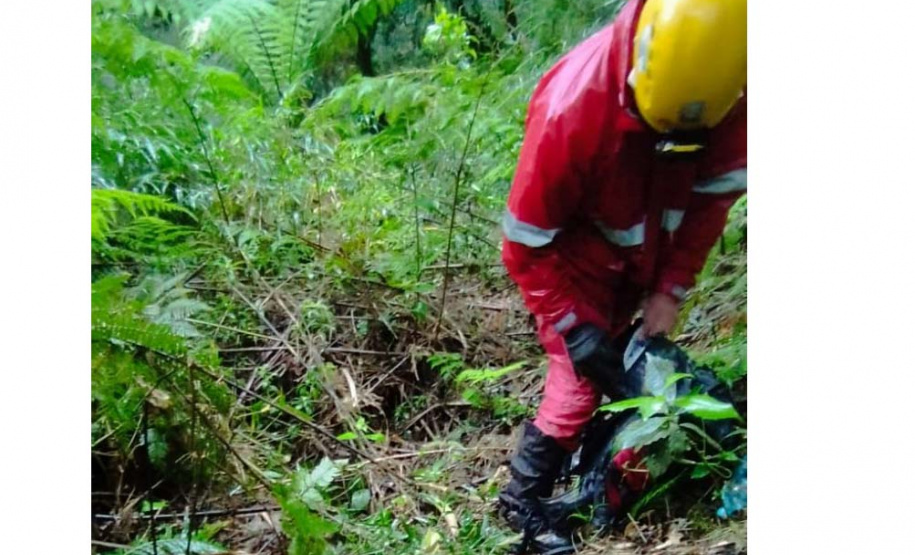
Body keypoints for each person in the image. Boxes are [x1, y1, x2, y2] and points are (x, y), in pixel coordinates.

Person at [498, 0, 747, 551]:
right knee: (579, 376)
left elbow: (709, 208)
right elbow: (524, 242)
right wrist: (571, 325)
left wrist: (669, 289)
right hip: (574, 262)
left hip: (642, 261)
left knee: (619, 364)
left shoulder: (731, 91)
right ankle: (523, 499)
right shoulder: (572, 112)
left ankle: (586, 469)